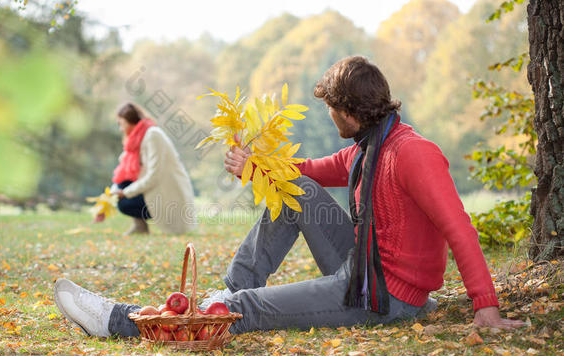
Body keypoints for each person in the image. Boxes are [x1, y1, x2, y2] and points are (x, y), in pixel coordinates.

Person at [54, 56, 524, 338]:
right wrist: (252, 166)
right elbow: (308, 172)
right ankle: (229, 290)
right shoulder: (369, 148)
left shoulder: (412, 154)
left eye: (330, 108)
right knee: (294, 191)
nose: (330, 116)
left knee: (254, 310)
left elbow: (457, 226)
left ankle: (119, 320)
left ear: (347, 111)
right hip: (362, 266)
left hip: (382, 294)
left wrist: (486, 305)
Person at [110, 103, 196, 235]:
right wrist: (114, 192)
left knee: (124, 202)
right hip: (155, 190)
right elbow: (124, 169)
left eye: (121, 123)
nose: (120, 129)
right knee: (123, 184)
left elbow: (154, 175)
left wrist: (125, 193)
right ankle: (140, 226)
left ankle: (141, 227)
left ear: (130, 121)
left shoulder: (152, 135)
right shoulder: (136, 139)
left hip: (167, 193)